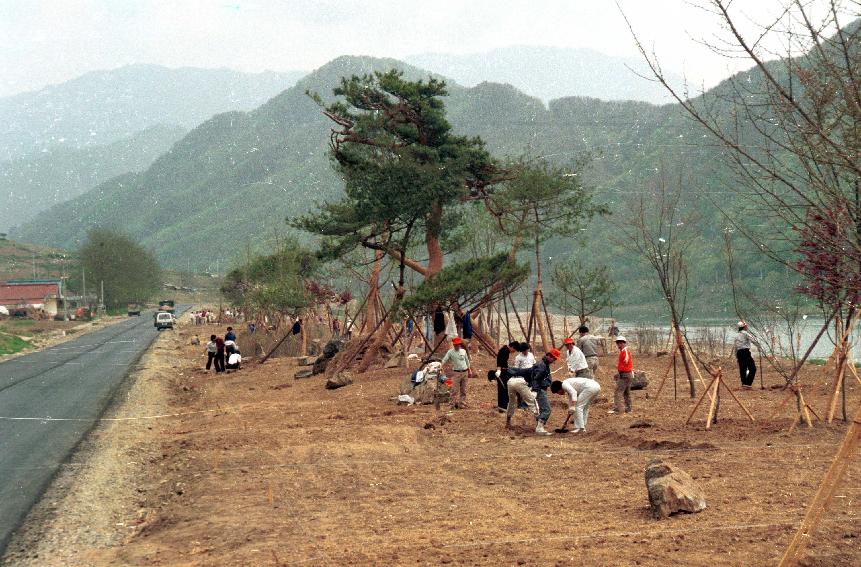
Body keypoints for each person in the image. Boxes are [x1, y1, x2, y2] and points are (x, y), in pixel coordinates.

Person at [506, 348, 561, 435]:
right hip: (539, 389)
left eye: (555, 359)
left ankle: (539, 426)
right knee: (546, 409)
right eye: (553, 358)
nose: (554, 360)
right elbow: (536, 379)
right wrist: (535, 390)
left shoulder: (543, 364)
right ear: (548, 355)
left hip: (538, 388)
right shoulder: (542, 366)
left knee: (541, 408)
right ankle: (539, 428)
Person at [441, 337, 473, 409]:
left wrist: (469, 370)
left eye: (458, 344)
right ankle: (451, 404)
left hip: (465, 372)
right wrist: (441, 366)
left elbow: (467, 361)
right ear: (453, 344)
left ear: (460, 344)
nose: (457, 346)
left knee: (463, 389)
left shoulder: (463, 351)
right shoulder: (450, 352)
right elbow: (444, 359)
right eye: (455, 345)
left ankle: (462, 403)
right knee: (454, 389)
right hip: (456, 373)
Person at [490, 341, 519, 412]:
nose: (514, 352)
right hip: (502, 372)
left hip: (504, 370)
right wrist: (499, 370)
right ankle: (503, 406)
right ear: (512, 347)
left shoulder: (505, 349)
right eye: (514, 350)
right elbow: (500, 361)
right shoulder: (505, 351)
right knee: (503, 388)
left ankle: (503, 405)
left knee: (503, 388)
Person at [608, 336, 633, 414]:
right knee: (626, 392)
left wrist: (620, 372)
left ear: (623, 343)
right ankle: (629, 409)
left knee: (618, 392)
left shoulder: (624, 351)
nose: (618, 344)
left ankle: (617, 409)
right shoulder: (624, 351)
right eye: (617, 343)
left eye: (620, 343)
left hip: (625, 375)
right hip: (627, 374)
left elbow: (625, 362)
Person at [734, 321, 757, 389]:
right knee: (753, 368)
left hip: (739, 353)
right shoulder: (746, 333)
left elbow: (736, 347)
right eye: (746, 326)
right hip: (745, 352)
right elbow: (754, 340)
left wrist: (736, 356)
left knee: (742, 369)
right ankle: (748, 384)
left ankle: (744, 383)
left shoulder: (737, 335)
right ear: (744, 327)